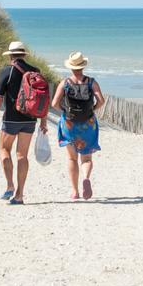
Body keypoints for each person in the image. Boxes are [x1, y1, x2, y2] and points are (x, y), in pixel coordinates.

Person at [0, 41, 47, 205]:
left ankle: (10, 185)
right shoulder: (35, 71)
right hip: (30, 119)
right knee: (22, 155)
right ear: (23, 55)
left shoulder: (8, 71)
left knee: (4, 150)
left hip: (11, 118)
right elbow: (43, 97)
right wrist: (43, 121)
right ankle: (20, 194)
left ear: (11, 56)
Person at [50, 51, 105, 200]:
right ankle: (86, 178)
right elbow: (101, 100)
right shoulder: (91, 82)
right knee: (86, 158)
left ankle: (74, 191)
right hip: (88, 123)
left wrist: (64, 111)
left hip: (69, 123)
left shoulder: (65, 83)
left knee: (72, 159)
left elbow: (54, 103)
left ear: (71, 67)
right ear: (83, 66)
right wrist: (92, 109)